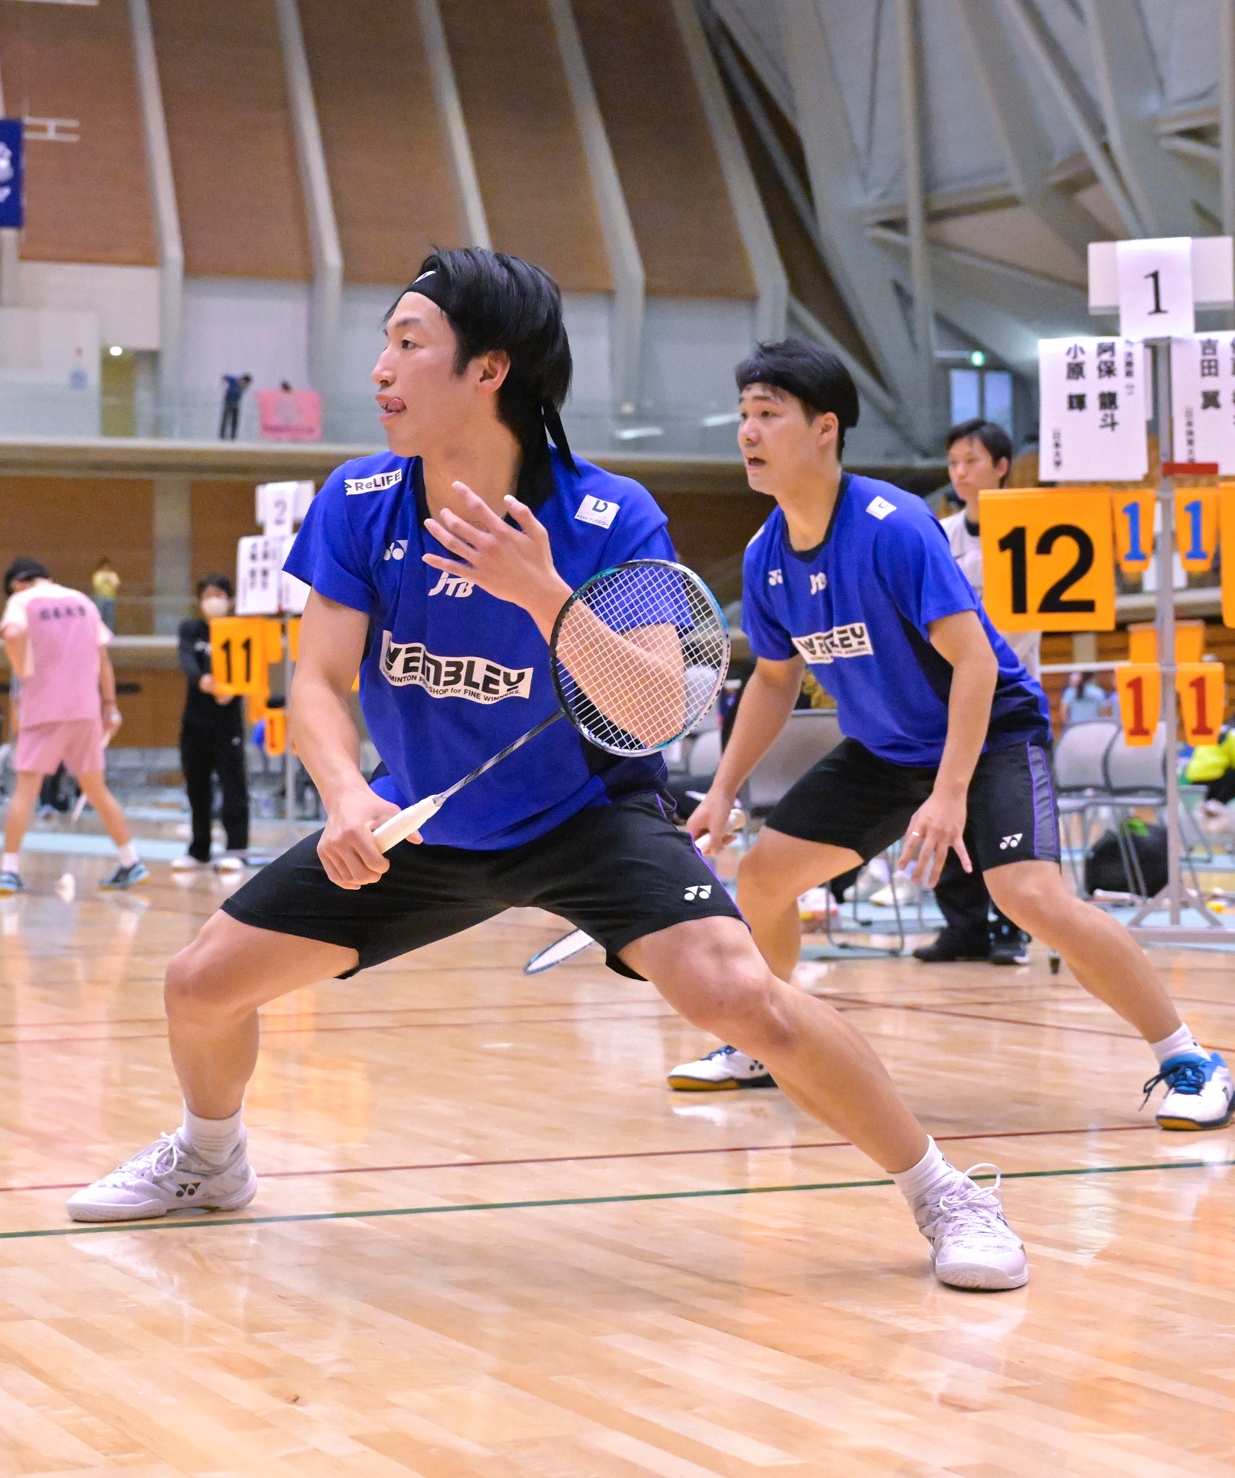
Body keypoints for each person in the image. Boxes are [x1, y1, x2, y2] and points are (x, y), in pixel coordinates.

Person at [64, 251, 1034, 1291]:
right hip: (420, 817)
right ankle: (210, 1158)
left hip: (589, 815)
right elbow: (317, 682)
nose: (380, 369)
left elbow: (653, 709)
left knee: (741, 996)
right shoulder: (359, 501)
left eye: (408, 343)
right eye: (386, 342)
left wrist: (542, 593)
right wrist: (346, 795)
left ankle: (946, 1193)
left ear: (489, 369)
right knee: (199, 985)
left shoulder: (608, 516)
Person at [662, 336, 1235, 1134]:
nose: (748, 433)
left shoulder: (892, 526)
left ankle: (1190, 1060)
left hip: (990, 730)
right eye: (743, 416)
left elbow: (974, 662)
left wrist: (951, 793)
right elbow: (773, 679)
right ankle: (763, 1040)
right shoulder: (766, 557)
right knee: (761, 879)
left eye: (768, 414)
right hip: (887, 750)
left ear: (825, 428)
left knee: (1027, 894)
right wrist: (723, 790)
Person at [921, 418, 1033, 966]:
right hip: (953, 697)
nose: (960, 473)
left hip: (1011, 698)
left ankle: (1014, 929)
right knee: (949, 804)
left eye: (972, 461)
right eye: (953, 464)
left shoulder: (1034, 530)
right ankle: (962, 927)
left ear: (1002, 466)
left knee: (1005, 815)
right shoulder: (939, 537)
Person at [0, 557, 146, 894]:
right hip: (85, 709)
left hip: (43, 711)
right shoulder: (83, 602)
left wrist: (22, 668)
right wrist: (110, 705)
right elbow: (103, 657)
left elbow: (12, 633)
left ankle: (9, 870)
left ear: (17, 584)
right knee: (97, 789)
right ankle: (130, 861)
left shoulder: (22, 601)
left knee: (25, 792)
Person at [174, 574, 249, 873]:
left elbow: (248, 665)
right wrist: (203, 680)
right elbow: (186, 659)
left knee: (233, 788)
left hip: (227, 724)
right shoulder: (191, 629)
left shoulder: (239, 630)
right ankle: (199, 849)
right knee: (197, 787)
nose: (213, 600)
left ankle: (236, 850)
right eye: (207, 595)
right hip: (195, 722)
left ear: (229, 599)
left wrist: (233, 688)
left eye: (218, 594)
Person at [1185, 708, 1235, 833]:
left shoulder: (1215, 730)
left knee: (1227, 770)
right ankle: (1217, 802)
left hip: (1193, 777)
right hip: (1213, 779)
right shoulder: (1234, 735)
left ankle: (1208, 805)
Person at [217, 371, 254, 440]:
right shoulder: (234, 380)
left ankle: (233, 436)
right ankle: (222, 436)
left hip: (236, 404)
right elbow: (224, 377)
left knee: (235, 420)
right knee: (225, 418)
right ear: (244, 380)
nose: (246, 385)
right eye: (246, 383)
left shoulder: (244, 386)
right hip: (228, 402)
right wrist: (222, 387)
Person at [89, 556, 121, 632]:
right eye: (104, 566)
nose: (106, 567)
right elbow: (97, 584)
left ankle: (109, 632)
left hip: (111, 597)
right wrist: (104, 579)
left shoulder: (113, 574)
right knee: (99, 616)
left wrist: (109, 580)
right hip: (100, 597)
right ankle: (98, 632)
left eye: (107, 565)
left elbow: (116, 584)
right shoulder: (98, 575)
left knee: (110, 616)